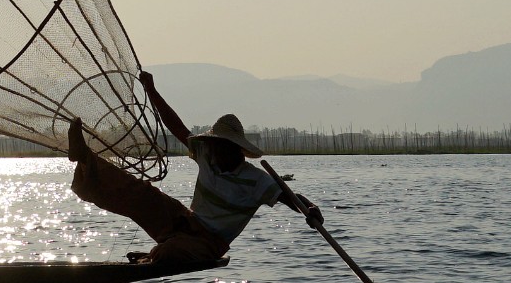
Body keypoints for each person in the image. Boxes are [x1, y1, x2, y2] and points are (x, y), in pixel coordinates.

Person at [67, 70, 323, 268]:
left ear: (235, 150)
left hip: (209, 242)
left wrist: (309, 209)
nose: (213, 151)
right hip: (185, 220)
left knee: (169, 253)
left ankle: (156, 255)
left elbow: (290, 197)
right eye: (213, 145)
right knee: (140, 193)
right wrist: (151, 91)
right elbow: (175, 125)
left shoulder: (255, 180)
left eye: (220, 147)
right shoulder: (206, 155)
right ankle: (85, 158)